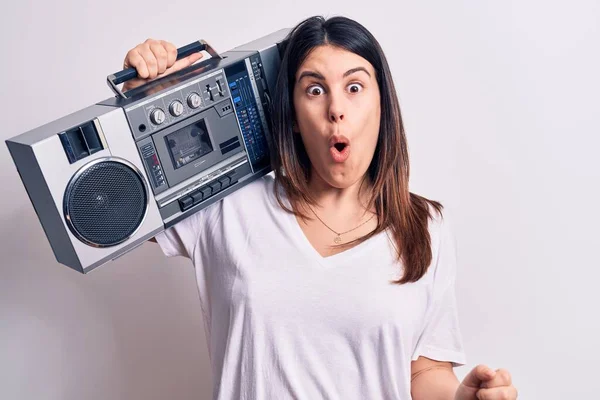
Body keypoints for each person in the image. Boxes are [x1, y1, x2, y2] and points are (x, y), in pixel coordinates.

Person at [122, 16, 518, 400]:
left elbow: (426, 370)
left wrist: (462, 398)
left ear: (382, 106)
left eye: (355, 87)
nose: (336, 108)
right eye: (314, 90)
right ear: (293, 116)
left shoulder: (424, 226)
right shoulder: (226, 206)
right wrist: (141, 100)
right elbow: (119, 207)